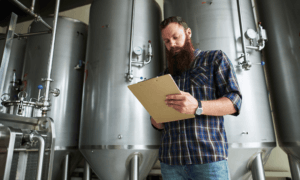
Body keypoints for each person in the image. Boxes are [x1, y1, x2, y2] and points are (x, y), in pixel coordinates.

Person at [150, 16, 242, 180]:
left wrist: (198, 106)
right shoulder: (164, 76)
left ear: (188, 33)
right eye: (167, 41)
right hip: (171, 162)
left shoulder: (214, 59)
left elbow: (235, 102)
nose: (171, 44)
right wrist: (156, 116)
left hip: (207, 160)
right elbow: (158, 124)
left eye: (175, 37)